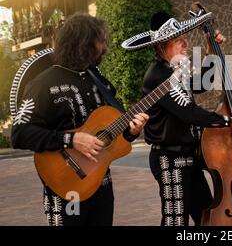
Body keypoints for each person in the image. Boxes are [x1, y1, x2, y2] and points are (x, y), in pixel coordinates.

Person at [10, 12, 149, 226]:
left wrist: (131, 131)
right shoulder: (42, 84)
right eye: (100, 41)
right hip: (66, 189)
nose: (105, 47)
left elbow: (111, 132)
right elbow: (20, 134)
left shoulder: (98, 80)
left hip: (101, 186)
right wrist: (71, 140)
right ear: (83, 44)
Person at [121, 11, 232, 226]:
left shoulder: (175, 69)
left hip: (190, 157)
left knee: (206, 217)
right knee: (176, 221)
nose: (185, 43)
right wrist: (231, 121)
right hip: (169, 160)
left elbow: (201, 84)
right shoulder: (157, 75)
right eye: (177, 40)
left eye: (184, 38)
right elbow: (189, 113)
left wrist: (212, 50)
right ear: (161, 46)